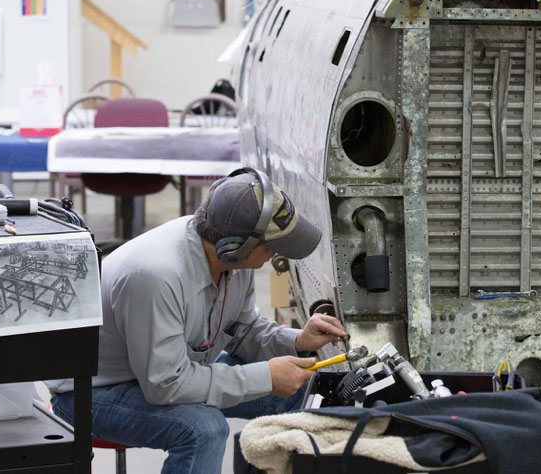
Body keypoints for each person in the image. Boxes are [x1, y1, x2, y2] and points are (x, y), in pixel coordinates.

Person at [47, 167, 347, 474]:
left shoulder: (231, 261)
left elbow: (242, 332)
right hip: (90, 394)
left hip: (165, 372)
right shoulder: (155, 276)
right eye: (271, 245)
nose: (276, 254)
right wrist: (266, 377)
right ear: (237, 246)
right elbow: (166, 385)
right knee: (202, 430)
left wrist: (297, 341)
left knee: (306, 389)